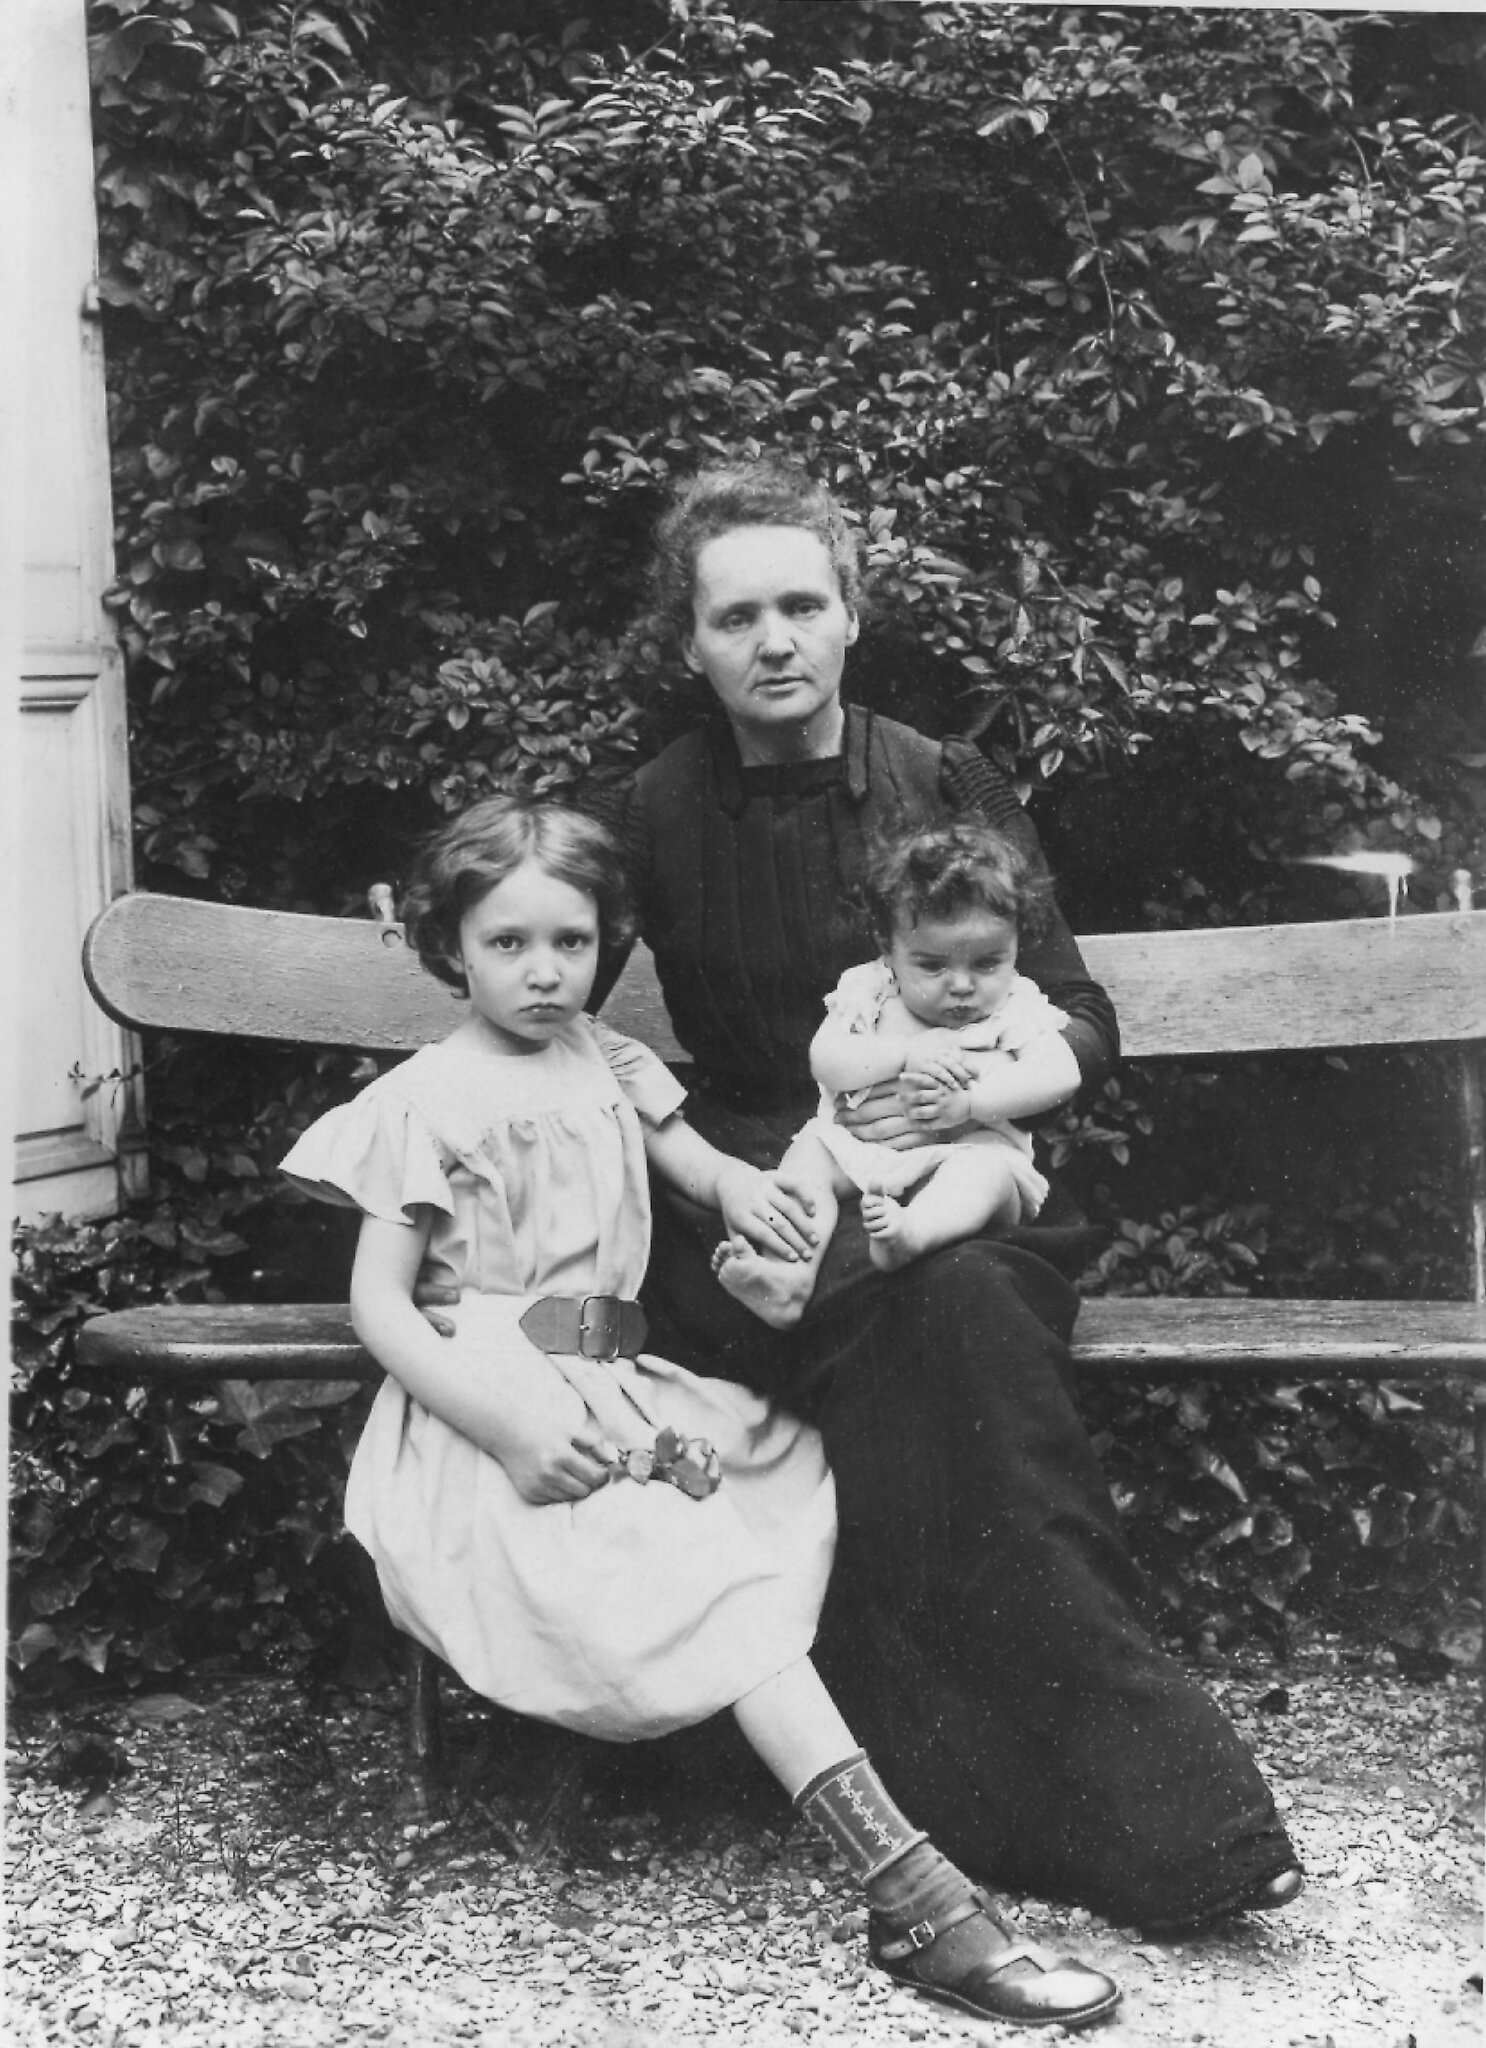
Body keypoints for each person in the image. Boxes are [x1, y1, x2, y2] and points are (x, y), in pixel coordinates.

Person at [584, 456, 1304, 1936]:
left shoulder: (941, 781)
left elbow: (1079, 1016)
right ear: (690, 644)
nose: (773, 640)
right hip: (756, 1210)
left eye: (802, 604)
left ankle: (1167, 1825)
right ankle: (1035, 1806)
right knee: (901, 1341)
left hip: (944, 1197)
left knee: (966, 1322)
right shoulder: (651, 812)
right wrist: (711, 1172)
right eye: (737, 618)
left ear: (852, 615)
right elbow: (553, 1023)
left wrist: (967, 1099)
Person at [281, 794, 1121, 2032]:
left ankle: (940, 1779)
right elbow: (383, 1311)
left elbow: (711, 1173)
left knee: (806, 1454)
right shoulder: (422, 1100)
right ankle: (912, 1890)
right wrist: (512, 1429)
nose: (544, 970)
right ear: (447, 945)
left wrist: (767, 1198)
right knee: (699, 1557)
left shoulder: (608, 1063)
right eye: (507, 943)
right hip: (491, 1404)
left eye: (571, 942)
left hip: (616, 1369)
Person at [713, 815, 1073, 1326]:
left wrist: (973, 1105)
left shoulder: (1016, 1006)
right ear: (888, 946)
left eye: (988, 963)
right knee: (809, 1156)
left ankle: (913, 1236)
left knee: (984, 1174)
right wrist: (903, 1055)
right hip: (865, 1150)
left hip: (971, 1150)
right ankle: (789, 1277)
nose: (963, 986)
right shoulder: (870, 991)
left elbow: (1062, 1072)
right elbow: (827, 1060)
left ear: (1016, 946)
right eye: (933, 966)